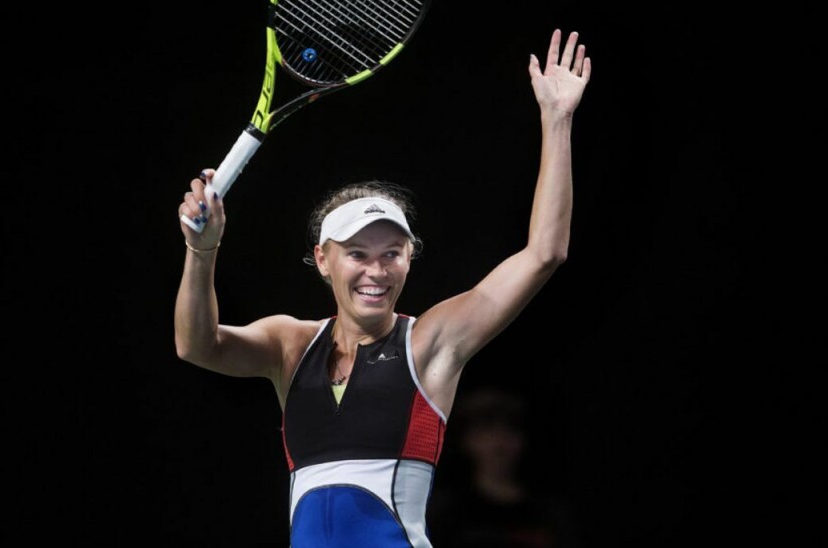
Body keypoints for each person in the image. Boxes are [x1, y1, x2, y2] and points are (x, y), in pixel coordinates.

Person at [174, 28, 591, 547]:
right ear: (324, 261)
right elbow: (196, 345)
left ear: (409, 259)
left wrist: (558, 119)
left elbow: (544, 253)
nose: (376, 270)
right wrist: (201, 251)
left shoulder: (430, 343)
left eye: (391, 253)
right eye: (357, 254)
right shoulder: (291, 346)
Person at [426, 386, 581, 547]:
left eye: (511, 427)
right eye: (486, 428)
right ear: (466, 439)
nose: (500, 440)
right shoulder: (444, 513)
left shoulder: (550, 514)